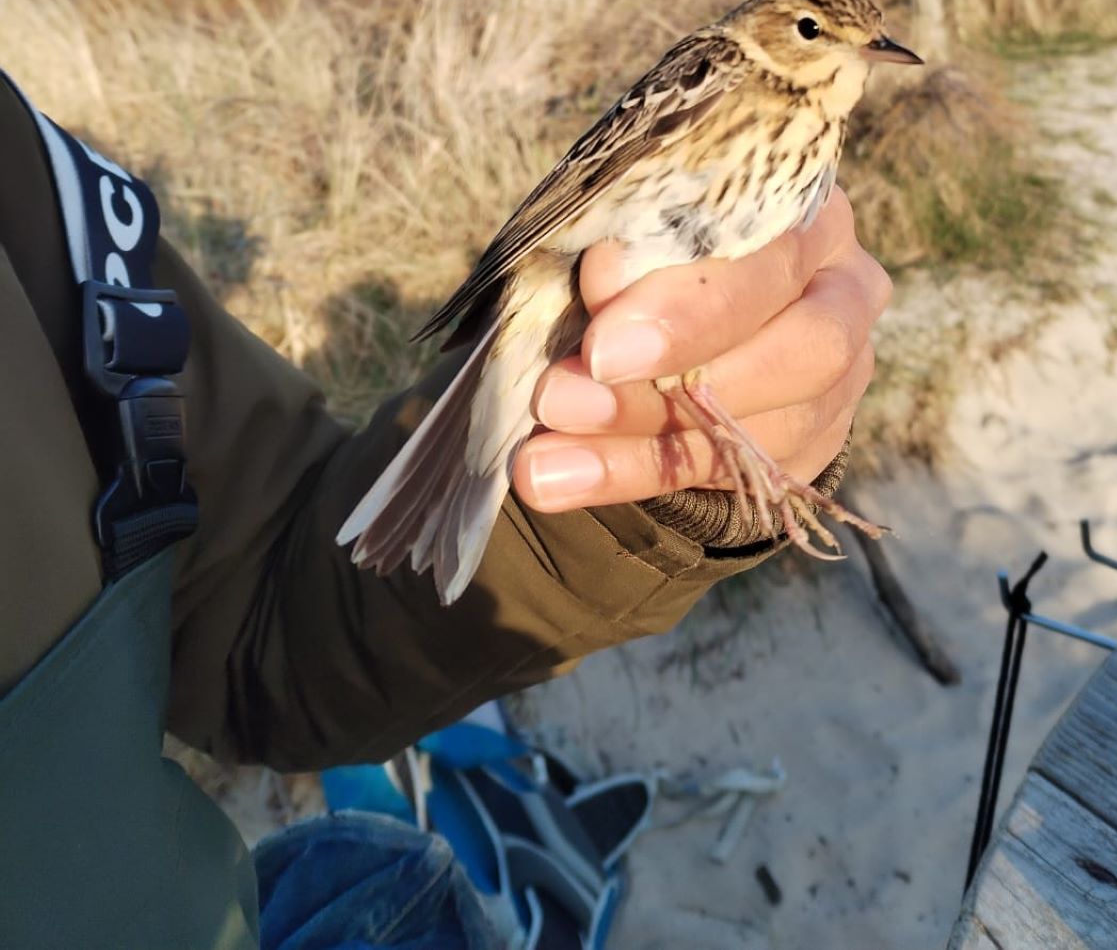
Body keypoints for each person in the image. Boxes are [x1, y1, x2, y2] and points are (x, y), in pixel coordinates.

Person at [0, 70, 890, 948]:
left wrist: (653, 486)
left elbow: (262, 610)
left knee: (385, 874)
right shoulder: (728, 85)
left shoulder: (23, 189)